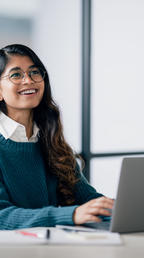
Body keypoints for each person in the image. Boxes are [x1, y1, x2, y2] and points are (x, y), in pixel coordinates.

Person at [0, 44, 114, 230]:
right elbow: (2, 216)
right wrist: (72, 214)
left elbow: (87, 199)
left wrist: (117, 208)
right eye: (16, 75)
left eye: (35, 72)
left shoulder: (52, 141)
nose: (29, 80)